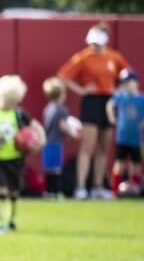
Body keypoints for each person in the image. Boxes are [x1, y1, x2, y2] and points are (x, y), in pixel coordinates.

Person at [57, 22, 130, 199]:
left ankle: (98, 186)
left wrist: (119, 89)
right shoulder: (83, 57)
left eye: (97, 43)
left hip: (109, 102)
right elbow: (63, 76)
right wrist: (81, 90)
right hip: (91, 102)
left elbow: (128, 75)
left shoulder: (114, 57)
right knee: (87, 146)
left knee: (104, 147)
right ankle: (81, 187)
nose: (94, 46)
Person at [0, 75, 46, 234]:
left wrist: (41, 139)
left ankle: (11, 220)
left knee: (13, 192)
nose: (10, 104)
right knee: (0, 191)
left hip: (15, 159)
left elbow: (36, 126)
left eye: (14, 101)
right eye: (8, 100)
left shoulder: (19, 114)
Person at [106, 69, 143, 195]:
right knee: (119, 165)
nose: (126, 85)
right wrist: (112, 117)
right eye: (124, 83)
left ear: (136, 82)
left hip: (136, 138)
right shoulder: (120, 96)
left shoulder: (141, 99)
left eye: (128, 82)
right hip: (122, 138)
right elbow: (110, 105)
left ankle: (136, 191)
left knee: (136, 166)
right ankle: (115, 192)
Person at [41, 77, 78, 199]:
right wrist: (72, 135)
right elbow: (63, 126)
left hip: (46, 143)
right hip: (56, 143)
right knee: (56, 169)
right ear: (62, 94)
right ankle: (56, 192)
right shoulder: (62, 109)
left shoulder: (48, 108)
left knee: (49, 168)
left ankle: (48, 191)